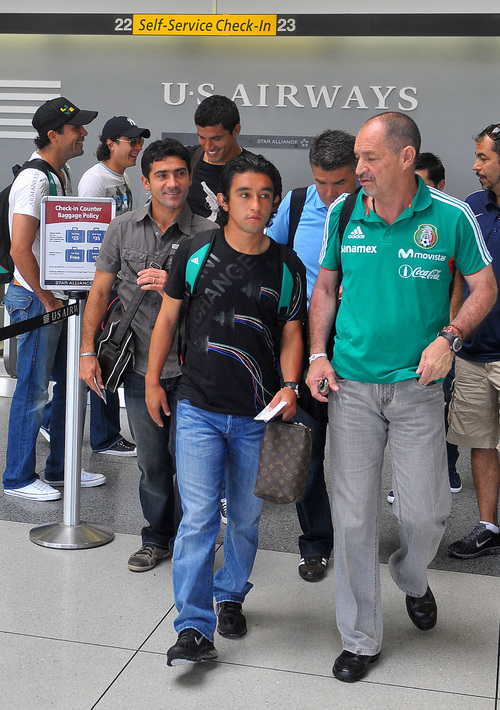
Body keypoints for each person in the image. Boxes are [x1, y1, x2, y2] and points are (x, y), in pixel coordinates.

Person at [306, 112, 497, 683]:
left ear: (406, 157)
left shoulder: (451, 215)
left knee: (426, 512)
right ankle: (360, 638)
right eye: (358, 159)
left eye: (370, 158)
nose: (358, 169)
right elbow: (326, 286)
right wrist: (316, 354)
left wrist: (450, 337)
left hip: (419, 387)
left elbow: (485, 287)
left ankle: (412, 576)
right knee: (353, 519)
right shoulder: (344, 212)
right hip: (351, 386)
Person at [145, 153, 306, 666]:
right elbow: (167, 320)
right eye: (244, 194)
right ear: (223, 200)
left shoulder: (287, 265)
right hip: (199, 407)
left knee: (245, 517)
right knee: (197, 520)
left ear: (274, 202)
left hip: (258, 416)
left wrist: (291, 386)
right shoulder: (195, 252)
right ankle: (194, 627)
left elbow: (292, 333)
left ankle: (231, 594)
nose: (255, 204)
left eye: (265, 195)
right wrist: (152, 380)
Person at [79, 138, 213, 571]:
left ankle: (194, 541)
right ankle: (156, 537)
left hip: (193, 369)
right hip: (138, 366)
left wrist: (177, 286)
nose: (172, 183)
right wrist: (86, 351)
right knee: (152, 462)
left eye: (179, 174)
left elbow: (219, 305)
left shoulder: (210, 234)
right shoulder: (122, 228)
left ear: (189, 178)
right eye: (162, 175)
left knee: (193, 465)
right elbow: (100, 292)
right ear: (146, 181)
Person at [3, 96, 105, 501]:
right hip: (37, 301)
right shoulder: (34, 181)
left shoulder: (60, 174)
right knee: (33, 390)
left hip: (60, 300)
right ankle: (17, 478)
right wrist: (47, 300)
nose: (84, 133)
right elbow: (20, 248)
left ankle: (62, 468)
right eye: (76, 128)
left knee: (69, 386)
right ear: (53, 135)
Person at [268, 129, 357, 582]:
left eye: (339, 182)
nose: (329, 192)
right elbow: (268, 255)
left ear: (359, 172)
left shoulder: (372, 210)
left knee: (359, 457)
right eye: (322, 181)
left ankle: (359, 541)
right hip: (304, 342)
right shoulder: (298, 203)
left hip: (358, 345)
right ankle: (316, 543)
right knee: (307, 450)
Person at [386, 152, 461, 499]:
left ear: (439, 186)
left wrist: (449, 335)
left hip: (440, 341)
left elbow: (460, 285)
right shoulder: (396, 219)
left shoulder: (450, 220)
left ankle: (445, 469)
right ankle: (405, 483)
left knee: (441, 409)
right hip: (399, 346)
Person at [78, 115, 151, 457]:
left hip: (118, 282)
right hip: (101, 282)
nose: (137, 147)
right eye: (131, 141)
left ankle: (100, 433)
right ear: (110, 143)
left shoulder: (121, 178)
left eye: (139, 142)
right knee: (100, 354)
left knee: (111, 353)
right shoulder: (95, 181)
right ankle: (101, 435)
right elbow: (89, 235)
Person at [447, 123, 500, 559]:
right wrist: (451, 331)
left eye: (484, 157)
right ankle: (488, 526)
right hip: (473, 354)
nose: (475, 166)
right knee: (481, 442)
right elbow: (458, 277)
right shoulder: (473, 207)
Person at [186, 94, 254, 222]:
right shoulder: (185, 159)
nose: (208, 146)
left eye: (216, 138)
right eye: (202, 137)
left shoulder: (256, 170)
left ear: (236, 131)